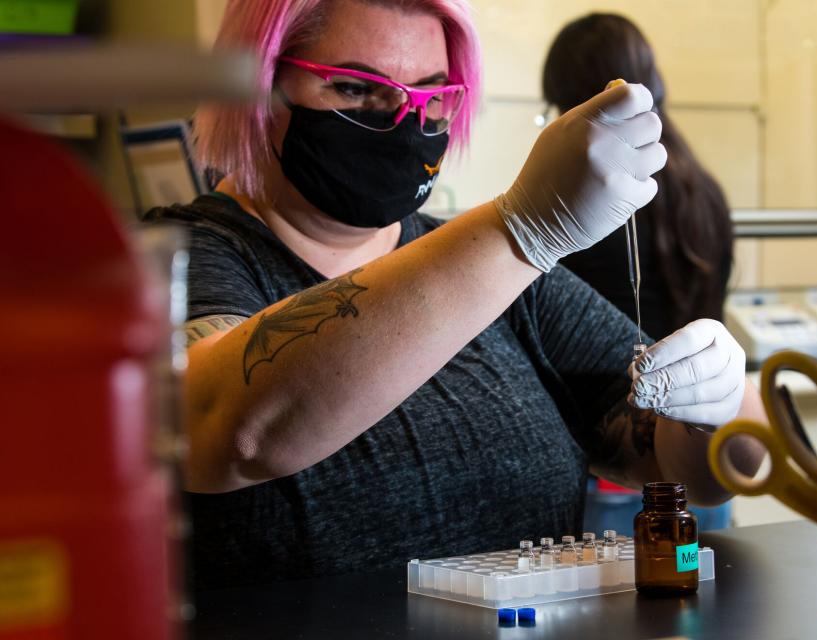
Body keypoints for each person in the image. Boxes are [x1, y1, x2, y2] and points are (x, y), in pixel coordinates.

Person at [145, 0, 764, 589]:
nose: (404, 122)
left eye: (432, 95)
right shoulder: (181, 253)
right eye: (355, 89)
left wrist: (716, 411)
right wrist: (518, 229)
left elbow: (671, 458)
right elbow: (225, 427)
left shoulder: (503, 278)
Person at [543, 14, 738, 531]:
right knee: (705, 602)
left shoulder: (580, 200)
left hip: (618, 462)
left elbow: (555, 339)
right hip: (700, 448)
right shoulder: (704, 193)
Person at [543, 13, 734, 343]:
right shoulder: (704, 191)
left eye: (562, 108)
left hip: (610, 390)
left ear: (580, 106)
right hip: (697, 389)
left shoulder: (582, 200)